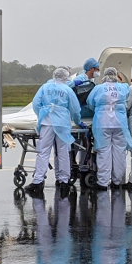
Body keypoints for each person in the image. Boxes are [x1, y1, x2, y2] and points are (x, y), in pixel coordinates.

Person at [25, 68, 84, 196]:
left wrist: (42, 114)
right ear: (65, 77)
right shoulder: (67, 89)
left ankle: (38, 180)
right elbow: (74, 108)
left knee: (43, 151)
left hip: (47, 122)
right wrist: (78, 121)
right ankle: (64, 181)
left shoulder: (45, 87)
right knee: (63, 152)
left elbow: (36, 103)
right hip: (62, 123)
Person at [86, 67, 132, 190]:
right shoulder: (123, 87)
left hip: (103, 122)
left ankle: (102, 182)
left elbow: (90, 102)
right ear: (116, 75)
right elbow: (128, 102)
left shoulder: (98, 88)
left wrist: (100, 108)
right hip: (120, 123)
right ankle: (117, 181)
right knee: (120, 152)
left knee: (104, 151)